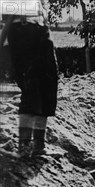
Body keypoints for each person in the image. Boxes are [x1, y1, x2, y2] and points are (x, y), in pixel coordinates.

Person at [0, 8, 58, 158]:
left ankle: (39, 145)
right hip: (23, 28)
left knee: (48, 84)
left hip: (40, 27)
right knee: (30, 85)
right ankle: (24, 147)